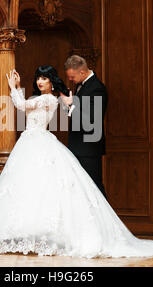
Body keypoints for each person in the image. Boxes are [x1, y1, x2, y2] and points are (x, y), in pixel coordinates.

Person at [0, 65, 153, 258]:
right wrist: (16, 89)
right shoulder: (42, 97)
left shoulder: (48, 99)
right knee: (32, 190)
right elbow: (25, 106)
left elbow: (21, 106)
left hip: (38, 142)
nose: (40, 81)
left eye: (44, 77)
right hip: (30, 142)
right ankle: (31, 236)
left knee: (45, 188)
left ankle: (45, 239)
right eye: (38, 77)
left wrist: (14, 88)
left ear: (52, 82)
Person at [59, 55, 108, 198]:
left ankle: (103, 220)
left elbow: (92, 120)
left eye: (72, 76)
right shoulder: (81, 86)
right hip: (78, 147)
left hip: (89, 149)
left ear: (82, 72)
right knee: (81, 190)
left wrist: (71, 104)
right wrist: (67, 106)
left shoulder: (97, 88)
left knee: (95, 188)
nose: (70, 80)